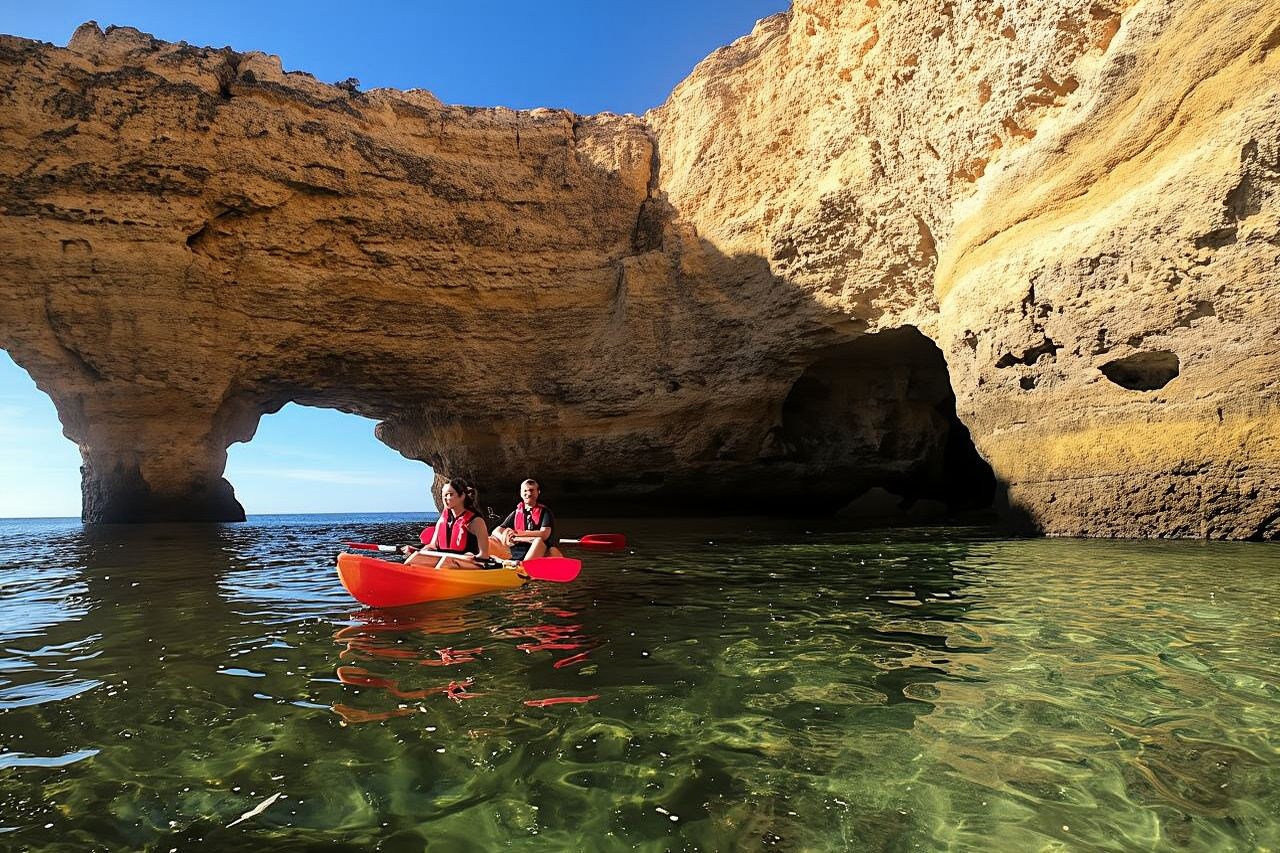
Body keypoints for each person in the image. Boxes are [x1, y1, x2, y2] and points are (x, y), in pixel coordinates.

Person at [404, 477, 490, 569]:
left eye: (449, 494)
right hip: (446, 562)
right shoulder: (442, 520)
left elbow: (484, 555)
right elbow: (432, 546)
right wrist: (419, 552)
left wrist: (468, 557)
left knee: (446, 563)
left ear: (462, 496)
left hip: (470, 564)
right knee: (414, 559)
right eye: (443, 495)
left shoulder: (476, 521)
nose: (445, 498)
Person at [491, 478, 557, 561]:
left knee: (539, 541)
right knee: (491, 538)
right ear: (521, 493)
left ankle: (524, 566)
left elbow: (544, 534)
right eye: (525, 491)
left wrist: (517, 534)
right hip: (517, 549)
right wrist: (508, 539)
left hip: (538, 548)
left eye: (531, 490)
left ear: (538, 492)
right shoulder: (516, 512)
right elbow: (496, 531)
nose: (528, 493)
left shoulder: (545, 512)